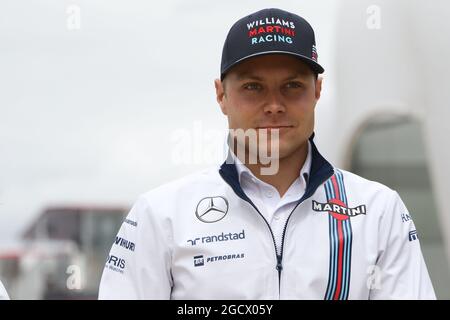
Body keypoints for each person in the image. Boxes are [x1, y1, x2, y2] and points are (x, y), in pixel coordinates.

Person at [98, 8, 436, 299]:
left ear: (317, 90)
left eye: (292, 86)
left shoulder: (378, 211)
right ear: (221, 95)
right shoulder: (160, 215)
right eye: (252, 87)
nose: (274, 105)